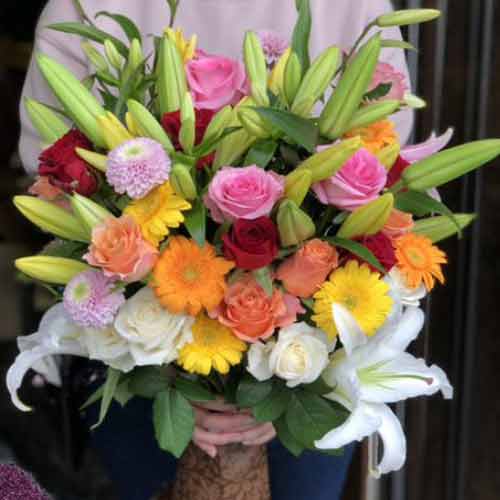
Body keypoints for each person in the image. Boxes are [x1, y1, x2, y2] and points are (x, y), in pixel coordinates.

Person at [18, 1, 413, 499]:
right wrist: (170, 363)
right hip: (139, 352)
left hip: (307, 369)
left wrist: (289, 370)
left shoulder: (356, 7)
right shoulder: (86, 6)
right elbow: (56, 182)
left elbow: (387, 189)